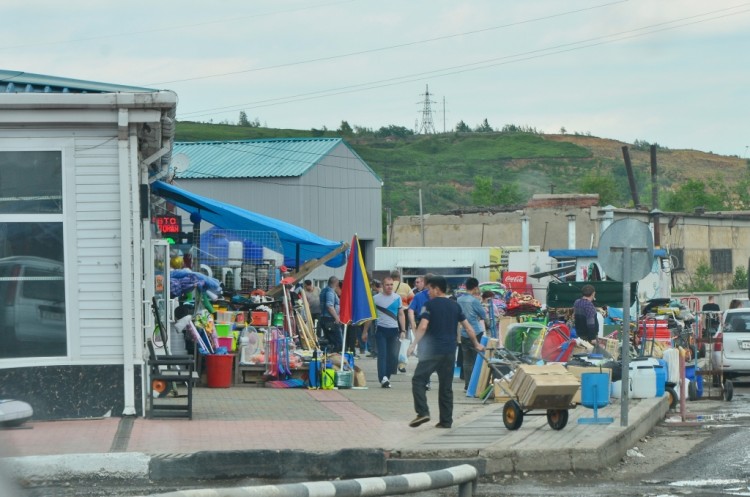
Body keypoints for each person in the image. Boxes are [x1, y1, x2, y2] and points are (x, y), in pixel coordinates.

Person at [407, 275, 484, 429]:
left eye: (429, 289)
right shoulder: (455, 306)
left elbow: (422, 326)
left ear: (436, 289)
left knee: (418, 380)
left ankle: (423, 412)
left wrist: (413, 344)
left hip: (431, 352)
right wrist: (476, 343)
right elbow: (468, 327)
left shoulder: (428, 305)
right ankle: (446, 421)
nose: (428, 293)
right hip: (449, 351)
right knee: (446, 387)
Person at [363, 277, 405, 388]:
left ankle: (386, 377)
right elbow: (370, 317)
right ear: (382, 285)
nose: (390, 287)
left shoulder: (397, 298)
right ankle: (382, 378)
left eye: (391, 284)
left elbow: (401, 314)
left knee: (392, 356)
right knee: (382, 355)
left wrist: (403, 330)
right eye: (387, 285)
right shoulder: (375, 298)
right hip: (381, 330)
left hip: (394, 330)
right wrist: (365, 331)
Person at [457, 278, 487, 391]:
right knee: (476, 360)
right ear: (475, 288)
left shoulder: (459, 300)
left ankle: (467, 384)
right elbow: (483, 315)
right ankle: (475, 385)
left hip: (464, 332)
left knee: (466, 361)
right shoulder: (474, 301)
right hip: (476, 332)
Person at [318, 276, 343, 352]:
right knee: (337, 342)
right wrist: (336, 318)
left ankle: (330, 357)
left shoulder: (323, 290)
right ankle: (335, 357)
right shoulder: (330, 292)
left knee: (329, 340)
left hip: (324, 318)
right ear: (336, 283)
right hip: (330, 319)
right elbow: (329, 306)